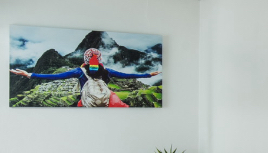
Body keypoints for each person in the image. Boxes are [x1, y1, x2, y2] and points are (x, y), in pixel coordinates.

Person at [10, 47, 160, 107]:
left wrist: (29, 74)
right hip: (110, 99)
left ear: (85, 59)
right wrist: (148, 75)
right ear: (100, 59)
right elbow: (127, 75)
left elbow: (55, 76)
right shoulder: (107, 71)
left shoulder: (79, 71)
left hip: (87, 102)